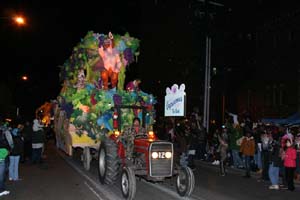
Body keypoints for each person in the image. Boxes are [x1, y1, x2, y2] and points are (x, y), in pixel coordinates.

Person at [0, 126, 10, 196]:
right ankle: (1, 190)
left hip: (3, 156)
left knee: (3, 174)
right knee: (1, 175)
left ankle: (2, 189)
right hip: (1, 157)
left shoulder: (3, 134)